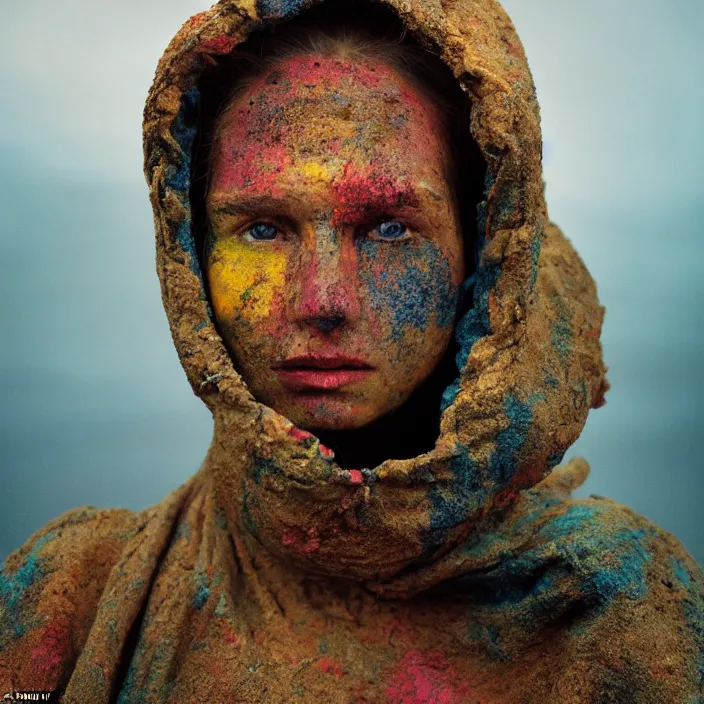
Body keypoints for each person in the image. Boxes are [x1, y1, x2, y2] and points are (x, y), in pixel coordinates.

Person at [1, 0, 701, 701]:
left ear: (482, 249)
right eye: (265, 229)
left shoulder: (617, 613)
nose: (324, 301)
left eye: (390, 228)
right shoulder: (63, 606)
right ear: (188, 251)